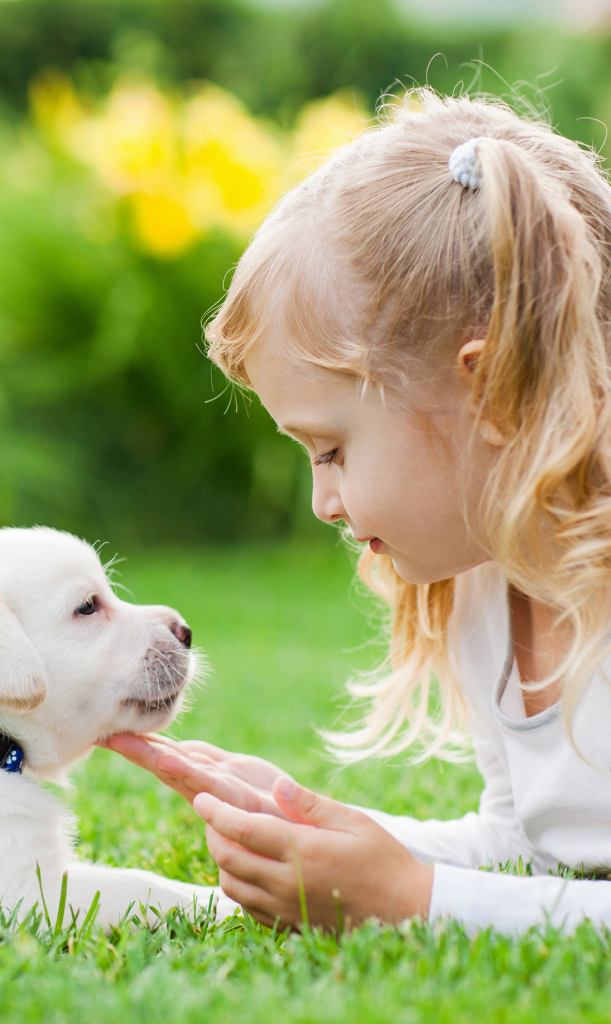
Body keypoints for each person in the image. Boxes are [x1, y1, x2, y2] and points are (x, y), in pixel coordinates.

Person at [105, 89, 611, 935]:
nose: (323, 503)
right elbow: (531, 851)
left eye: (331, 449)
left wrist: (412, 901)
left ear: (488, 389)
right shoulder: (488, 582)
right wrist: (309, 828)